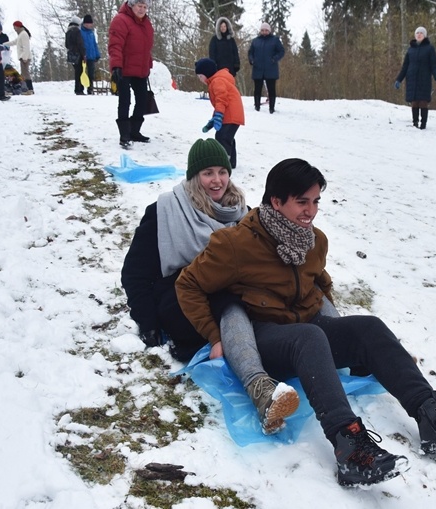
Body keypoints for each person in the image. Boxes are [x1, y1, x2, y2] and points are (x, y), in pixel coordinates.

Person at [175, 159, 436, 487]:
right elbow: (188, 285)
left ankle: (434, 418)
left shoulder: (315, 241)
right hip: (266, 338)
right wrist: (215, 335)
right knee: (310, 336)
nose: (310, 211)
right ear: (276, 201)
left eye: (315, 202)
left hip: (306, 330)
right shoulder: (235, 245)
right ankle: (351, 451)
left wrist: (346, 335)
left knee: (368, 327)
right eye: (302, 202)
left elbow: (320, 282)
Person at [122, 138, 314, 434]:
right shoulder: (165, 211)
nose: (217, 180)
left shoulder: (243, 213)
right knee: (230, 300)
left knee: (257, 302)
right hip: (179, 296)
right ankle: (257, 383)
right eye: (207, 173)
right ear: (194, 176)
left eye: (222, 172)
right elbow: (134, 271)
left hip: (232, 294)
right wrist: (146, 320)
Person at [109, 0, 154, 147]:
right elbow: (115, 45)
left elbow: (146, 48)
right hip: (124, 68)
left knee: (142, 100)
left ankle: (135, 131)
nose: (142, 9)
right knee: (125, 100)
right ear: (131, 5)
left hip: (140, 69)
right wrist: (116, 66)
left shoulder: (146, 23)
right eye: (139, 6)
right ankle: (124, 134)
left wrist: (148, 64)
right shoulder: (121, 20)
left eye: (144, 7)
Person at [195, 58, 244, 170]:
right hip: (232, 114)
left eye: (200, 76)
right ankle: (231, 162)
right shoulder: (218, 80)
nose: (200, 79)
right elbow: (219, 103)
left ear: (206, 73)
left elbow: (221, 100)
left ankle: (224, 162)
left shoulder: (217, 81)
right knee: (228, 138)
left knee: (222, 137)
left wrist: (218, 116)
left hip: (230, 115)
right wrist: (214, 118)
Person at [394, 26, 436, 130]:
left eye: (421, 33)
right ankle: (415, 122)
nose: (419, 34)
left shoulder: (430, 49)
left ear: (424, 35)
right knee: (414, 102)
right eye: (417, 33)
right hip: (411, 79)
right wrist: (399, 79)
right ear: (415, 35)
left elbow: (433, 65)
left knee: (423, 102)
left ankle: (423, 123)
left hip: (424, 79)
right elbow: (405, 66)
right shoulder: (410, 50)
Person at [247, 22, 284, 113]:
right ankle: (257, 106)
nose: (264, 32)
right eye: (262, 30)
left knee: (271, 89)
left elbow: (281, 51)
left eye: (266, 30)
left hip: (270, 69)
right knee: (257, 89)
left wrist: (274, 59)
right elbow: (250, 52)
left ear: (269, 31)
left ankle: (271, 108)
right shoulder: (255, 41)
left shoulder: (275, 40)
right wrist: (252, 60)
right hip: (258, 68)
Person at [3, 21, 34, 95]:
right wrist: (3, 44)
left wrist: (25, 57)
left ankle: (29, 89)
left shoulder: (23, 34)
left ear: (18, 26)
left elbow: (26, 47)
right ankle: (26, 89)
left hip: (24, 57)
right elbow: (14, 42)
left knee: (25, 74)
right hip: (23, 57)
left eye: (14, 27)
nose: (14, 29)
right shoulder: (21, 34)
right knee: (24, 73)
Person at [80, 14, 102, 95]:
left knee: (91, 74)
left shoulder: (91, 33)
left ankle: (90, 89)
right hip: (83, 56)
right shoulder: (81, 32)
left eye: (91, 24)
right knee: (82, 73)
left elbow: (94, 44)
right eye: (89, 24)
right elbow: (80, 44)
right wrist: (81, 54)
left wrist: (97, 54)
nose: (90, 25)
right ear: (85, 24)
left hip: (91, 56)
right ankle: (80, 89)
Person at [65, 16, 86, 95]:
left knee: (77, 72)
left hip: (71, 54)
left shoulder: (68, 31)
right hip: (78, 54)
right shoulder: (77, 31)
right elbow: (80, 43)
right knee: (80, 72)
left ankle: (77, 88)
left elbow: (66, 45)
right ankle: (79, 89)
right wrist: (83, 53)